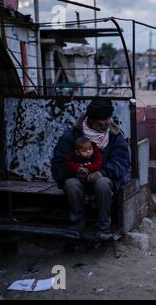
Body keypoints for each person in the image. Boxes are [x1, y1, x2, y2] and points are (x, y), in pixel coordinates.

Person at [51, 98, 131, 240]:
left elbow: (122, 162)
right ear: (91, 120)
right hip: (78, 180)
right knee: (71, 184)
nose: (106, 123)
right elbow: (58, 163)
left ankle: (103, 228)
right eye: (102, 120)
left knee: (103, 183)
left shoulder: (114, 136)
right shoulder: (72, 136)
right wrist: (75, 173)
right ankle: (77, 225)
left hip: (104, 180)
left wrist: (102, 172)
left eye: (107, 118)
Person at [64, 137, 103, 204]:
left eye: (90, 149)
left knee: (98, 177)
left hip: (92, 176)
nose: (88, 152)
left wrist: (88, 168)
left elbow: (99, 163)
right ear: (77, 152)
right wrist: (78, 168)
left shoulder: (94, 155)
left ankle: (94, 196)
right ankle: (84, 197)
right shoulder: (75, 157)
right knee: (76, 182)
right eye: (84, 151)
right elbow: (67, 162)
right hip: (81, 177)